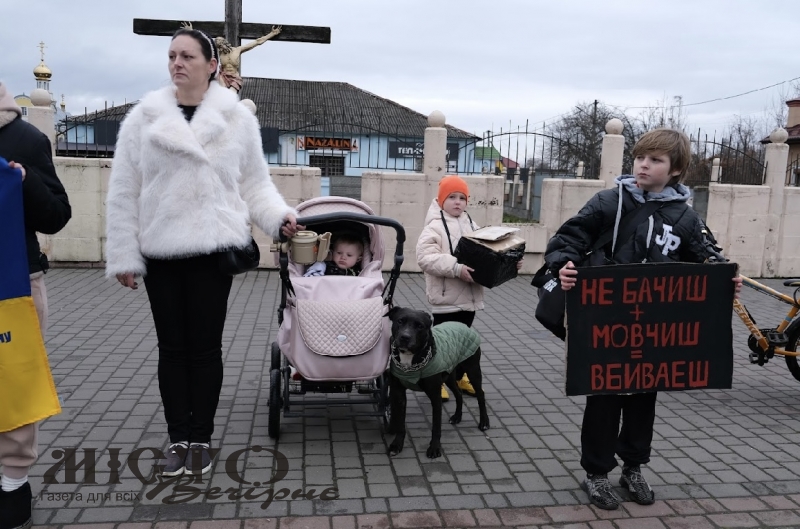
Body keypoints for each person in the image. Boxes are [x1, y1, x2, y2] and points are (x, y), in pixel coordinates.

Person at [105, 28, 302, 477]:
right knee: (172, 349)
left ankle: (202, 438)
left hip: (213, 251)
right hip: (161, 251)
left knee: (206, 349)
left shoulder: (237, 120)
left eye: (187, 56)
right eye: (172, 55)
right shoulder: (143, 118)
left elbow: (254, 182)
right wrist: (123, 254)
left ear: (212, 65)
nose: (177, 63)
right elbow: (123, 191)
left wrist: (278, 217)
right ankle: (178, 438)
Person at [544, 128, 742, 510]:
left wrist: (725, 283)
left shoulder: (685, 217)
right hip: (606, 323)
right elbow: (569, 239)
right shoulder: (607, 202)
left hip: (654, 331)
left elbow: (709, 260)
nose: (644, 165)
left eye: (656, 160)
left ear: (676, 169)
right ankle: (597, 474)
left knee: (643, 399)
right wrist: (563, 265)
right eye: (640, 158)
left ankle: (633, 466)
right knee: (603, 399)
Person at [0, 81, 71, 529]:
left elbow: (56, 216)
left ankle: (11, 482)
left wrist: (23, 184)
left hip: (13, 284)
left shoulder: (25, 139)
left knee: (14, 381)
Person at [417, 175, 522, 401]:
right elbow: (425, 258)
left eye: (462, 198)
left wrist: (509, 262)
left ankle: (459, 376)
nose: (457, 202)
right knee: (444, 343)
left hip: (469, 298)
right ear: (441, 199)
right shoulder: (433, 227)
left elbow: (486, 252)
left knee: (463, 342)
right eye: (452, 197)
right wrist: (456, 268)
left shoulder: (471, 224)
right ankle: (437, 379)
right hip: (446, 299)